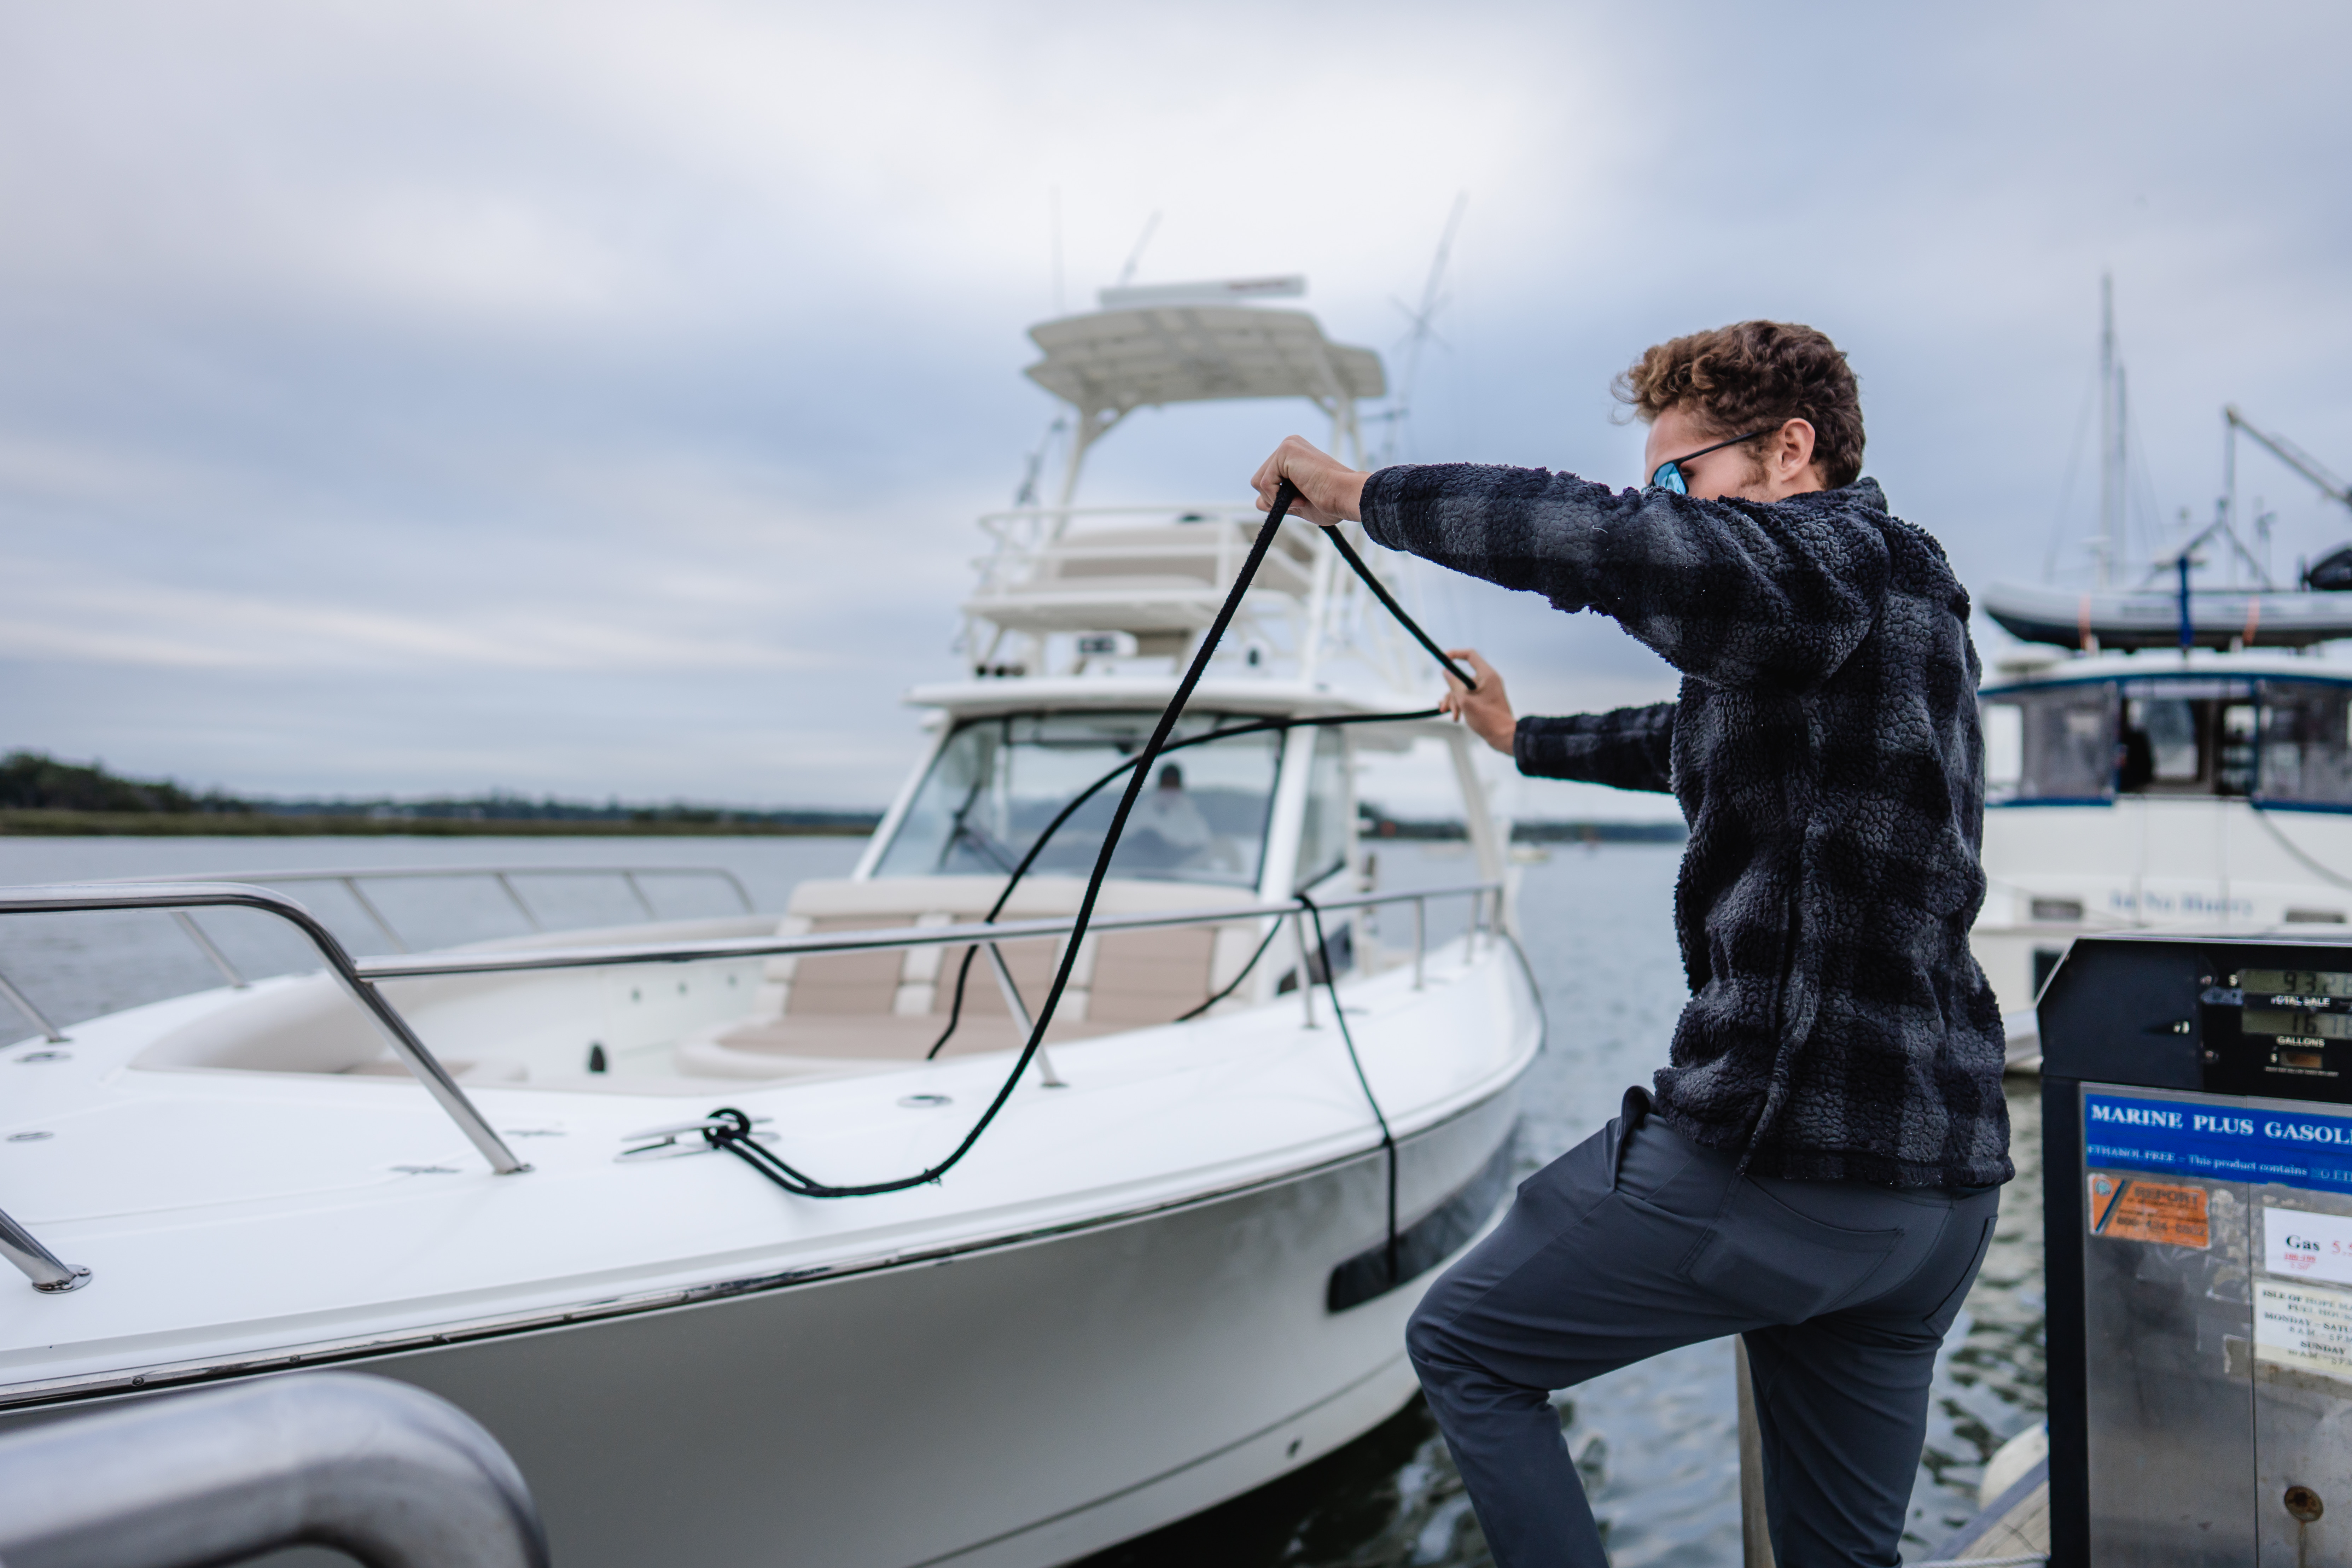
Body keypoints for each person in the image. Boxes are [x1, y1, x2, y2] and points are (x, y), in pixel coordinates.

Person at [1248, 321, 2009, 1568]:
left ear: (1790, 452)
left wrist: (1366, 497)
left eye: (1681, 476)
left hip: (1788, 1162)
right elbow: (1685, 733)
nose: (1665, 504)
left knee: (1466, 1345)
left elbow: (1610, 541)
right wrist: (1520, 740)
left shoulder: (1831, 551)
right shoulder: (1877, 614)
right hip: (1931, 1195)